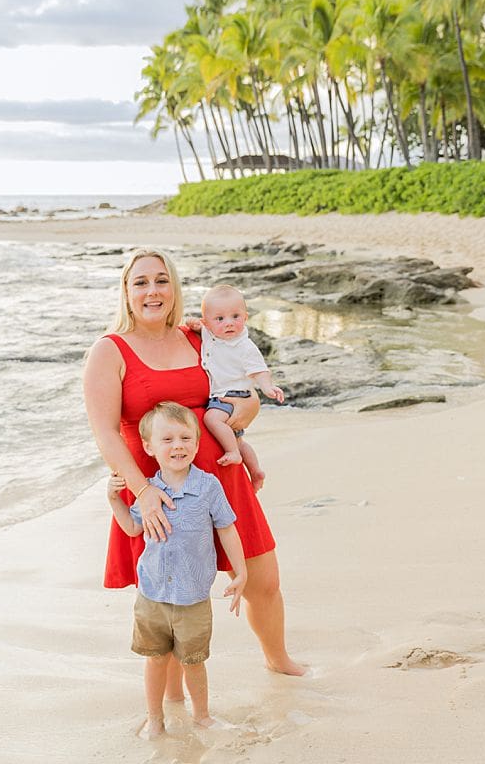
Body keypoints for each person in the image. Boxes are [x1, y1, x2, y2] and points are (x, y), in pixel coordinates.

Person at [83, 248, 305, 698]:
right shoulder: (109, 350)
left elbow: (238, 394)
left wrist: (245, 417)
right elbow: (105, 433)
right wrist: (143, 492)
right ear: (126, 291)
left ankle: (279, 661)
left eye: (161, 280)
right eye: (141, 282)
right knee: (170, 596)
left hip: (220, 477)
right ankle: (172, 702)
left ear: (175, 287)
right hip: (157, 488)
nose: (152, 291)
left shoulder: (198, 337)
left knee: (264, 578)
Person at [105, 401, 247, 737]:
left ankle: (202, 716)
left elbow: (227, 527)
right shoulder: (147, 492)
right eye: (167, 440)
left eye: (186, 438)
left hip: (193, 596)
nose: (178, 446)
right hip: (152, 594)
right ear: (149, 447)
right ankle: (155, 719)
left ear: (197, 444)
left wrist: (240, 572)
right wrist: (114, 501)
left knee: (194, 661)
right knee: (155, 659)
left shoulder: (208, 486)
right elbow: (133, 530)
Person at [199, 284, 285, 486]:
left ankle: (232, 453)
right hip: (224, 396)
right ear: (207, 323)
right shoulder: (209, 334)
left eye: (235, 316)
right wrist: (195, 325)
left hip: (233, 395)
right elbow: (196, 326)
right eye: (220, 319)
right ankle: (255, 471)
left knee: (212, 419)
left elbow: (259, 370)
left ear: (245, 318)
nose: (228, 323)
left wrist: (267, 388)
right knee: (239, 440)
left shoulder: (244, 346)